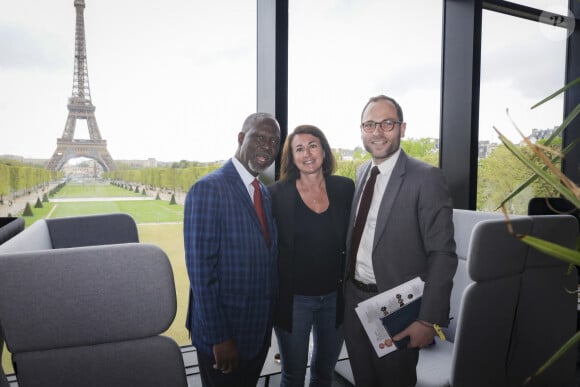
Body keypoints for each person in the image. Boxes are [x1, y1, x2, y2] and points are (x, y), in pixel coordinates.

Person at [343, 95, 458, 387]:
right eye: (370, 124)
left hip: (396, 308)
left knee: (394, 380)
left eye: (387, 123)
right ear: (361, 130)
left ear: (402, 128)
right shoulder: (361, 172)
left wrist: (428, 320)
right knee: (364, 380)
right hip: (355, 301)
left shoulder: (426, 178)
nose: (378, 132)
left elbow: (442, 253)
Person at [184, 112, 281, 387]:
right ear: (241, 138)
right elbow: (201, 273)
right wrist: (219, 337)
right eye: (259, 137)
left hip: (256, 331)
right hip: (225, 337)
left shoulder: (262, 192)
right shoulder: (208, 189)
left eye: (273, 142)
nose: (267, 146)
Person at [269, 125, 354, 387]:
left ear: (324, 151)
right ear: (291, 157)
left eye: (313, 145)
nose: (307, 153)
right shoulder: (276, 194)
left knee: (324, 373)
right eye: (299, 148)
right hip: (295, 302)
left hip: (334, 299)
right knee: (293, 375)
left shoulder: (345, 188)